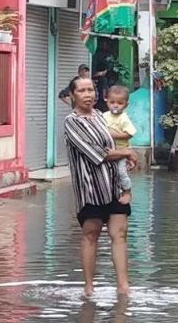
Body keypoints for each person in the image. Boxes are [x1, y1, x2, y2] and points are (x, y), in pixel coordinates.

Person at [64, 76, 137, 296]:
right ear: (73, 95)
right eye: (82, 91)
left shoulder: (99, 116)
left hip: (114, 184)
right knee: (91, 234)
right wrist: (127, 153)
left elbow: (113, 143)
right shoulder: (72, 121)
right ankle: (88, 287)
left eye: (91, 90)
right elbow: (97, 152)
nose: (88, 94)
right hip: (91, 188)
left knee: (120, 234)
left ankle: (123, 287)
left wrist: (126, 160)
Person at [103, 85, 137, 195]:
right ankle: (114, 191)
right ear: (106, 101)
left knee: (121, 172)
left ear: (126, 105)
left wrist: (113, 135)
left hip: (123, 151)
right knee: (110, 173)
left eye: (120, 103)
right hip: (110, 151)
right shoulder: (104, 116)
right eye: (112, 102)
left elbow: (129, 134)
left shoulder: (123, 118)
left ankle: (127, 191)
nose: (115, 105)